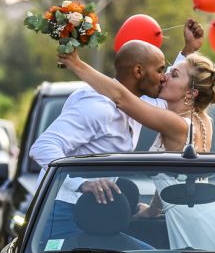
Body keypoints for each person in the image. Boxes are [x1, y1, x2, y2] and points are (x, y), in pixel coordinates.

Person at [30, 20, 204, 238]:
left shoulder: (140, 104)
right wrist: (83, 183)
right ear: (139, 71)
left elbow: (175, 91)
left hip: (95, 214)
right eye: (161, 70)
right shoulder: (96, 106)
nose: (164, 77)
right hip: (61, 211)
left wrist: (189, 50)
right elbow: (42, 147)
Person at [59, 38, 215, 248]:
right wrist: (153, 210)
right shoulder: (203, 120)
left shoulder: (177, 124)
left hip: (193, 225)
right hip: (206, 213)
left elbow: (121, 98)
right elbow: (175, 177)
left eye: (173, 75)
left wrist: (77, 64)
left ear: (190, 93)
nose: (163, 77)